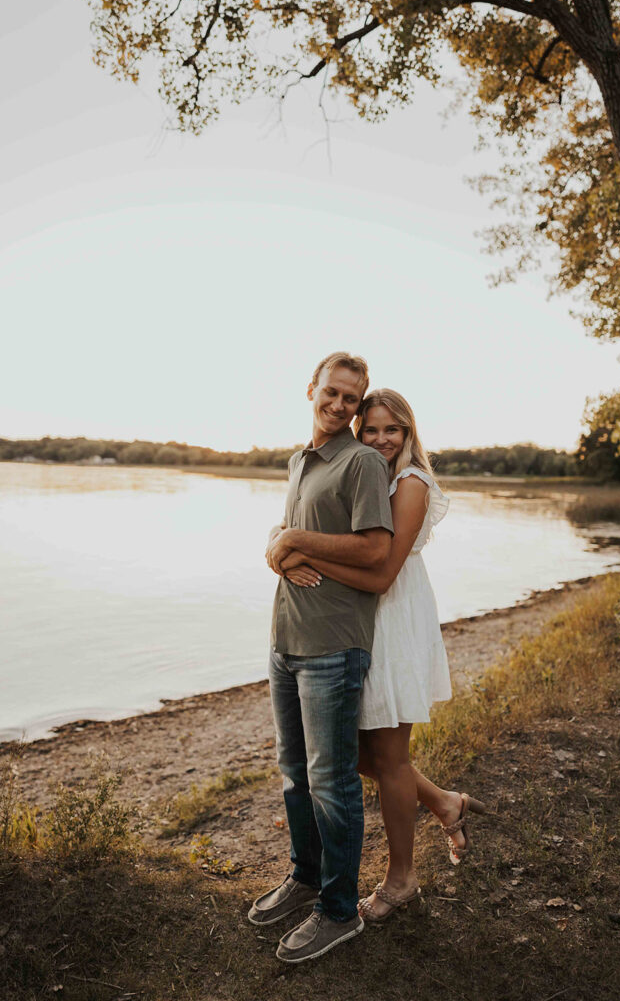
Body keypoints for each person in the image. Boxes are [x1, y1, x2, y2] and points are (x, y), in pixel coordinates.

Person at [279, 389, 485, 922]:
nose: (379, 439)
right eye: (370, 429)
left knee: (387, 758)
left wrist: (302, 556)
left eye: (391, 430)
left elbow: (381, 572)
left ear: (409, 432)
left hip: (392, 620)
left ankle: (402, 879)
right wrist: (285, 548)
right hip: (361, 618)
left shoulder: (411, 484)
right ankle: (444, 803)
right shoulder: (365, 471)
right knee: (353, 756)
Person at [248, 352, 394, 963]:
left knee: (332, 784)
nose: (339, 406)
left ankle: (339, 912)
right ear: (312, 389)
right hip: (285, 639)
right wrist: (278, 551)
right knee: (294, 774)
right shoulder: (298, 461)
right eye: (331, 393)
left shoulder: (359, 462)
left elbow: (374, 551)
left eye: (351, 400)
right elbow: (276, 540)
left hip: (334, 645)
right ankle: (305, 877)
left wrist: (295, 543)